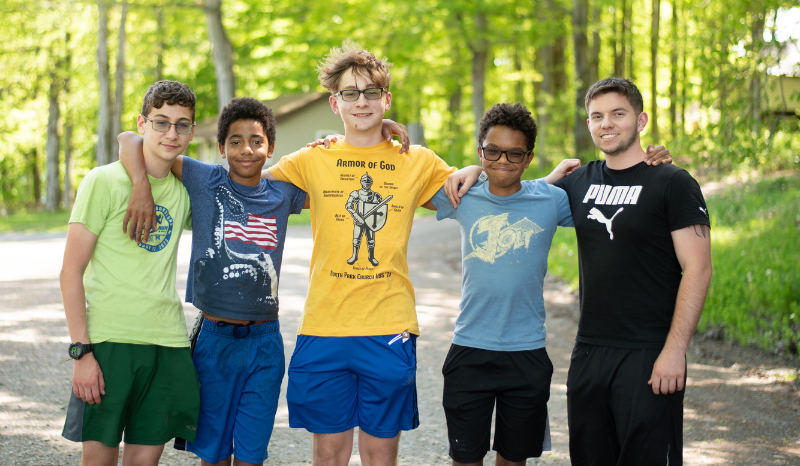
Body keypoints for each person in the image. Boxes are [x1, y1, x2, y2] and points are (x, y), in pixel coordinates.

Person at [447, 77, 712, 465]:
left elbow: (699, 268)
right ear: (588, 124)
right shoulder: (578, 183)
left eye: (618, 114)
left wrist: (675, 352)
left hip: (648, 352)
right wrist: (477, 169)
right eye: (597, 116)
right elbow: (517, 192)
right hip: (588, 353)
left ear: (641, 120)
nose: (607, 123)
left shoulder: (672, 182)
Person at [260, 41, 458, 466]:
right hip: (325, 324)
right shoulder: (312, 158)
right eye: (350, 93)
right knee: (328, 456)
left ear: (387, 99)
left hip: (388, 326)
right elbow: (247, 183)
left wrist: (482, 169)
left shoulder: (417, 160)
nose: (361, 102)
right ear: (335, 103)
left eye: (371, 92)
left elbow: (473, 186)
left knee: (379, 457)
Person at [117, 97, 308, 466]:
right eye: (235, 141)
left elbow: (335, 185)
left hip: (265, 345)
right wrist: (140, 184)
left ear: (270, 148)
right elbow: (130, 139)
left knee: (251, 455)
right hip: (213, 342)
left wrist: (376, 131)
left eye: (256, 141)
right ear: (221, 148)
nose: (246, 149)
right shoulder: (206, 179)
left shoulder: (283, 194)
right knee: (213, 454)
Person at [60, 80, 200, 466]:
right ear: (142, 124)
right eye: (161, 122)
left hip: (167, 343)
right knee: (98, 460)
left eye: (182, 125)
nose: (171, 133)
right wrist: (81, 353)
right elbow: (71, 271)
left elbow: (247, 179)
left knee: (144, 461)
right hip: (110, 342)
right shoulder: (103, 181)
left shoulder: (185, 192)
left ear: (192, 131)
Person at [426, 103, 572, 466]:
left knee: (514, 459)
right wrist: (383, 129)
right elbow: (405, 182)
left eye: (514, 153)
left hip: (527, 353)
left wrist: (653, 162)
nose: (502, 160)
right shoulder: (462, 194)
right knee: (465, 458)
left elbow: (613, 199)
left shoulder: (552, 200)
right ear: (480, 152)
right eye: (492, 151)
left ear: (529, 157)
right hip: (470, 350)